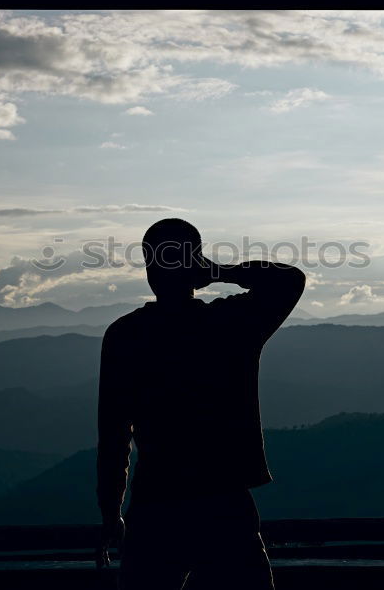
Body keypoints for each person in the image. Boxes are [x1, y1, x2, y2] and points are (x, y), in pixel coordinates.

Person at [95, 218, 306, 589]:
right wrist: (219, 272)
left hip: (156, 501)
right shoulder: (231, 324)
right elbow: (290, 279)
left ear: (147, 266)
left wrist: (111, 513)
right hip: (224, 499)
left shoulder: (126, 335)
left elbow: (114, 436)